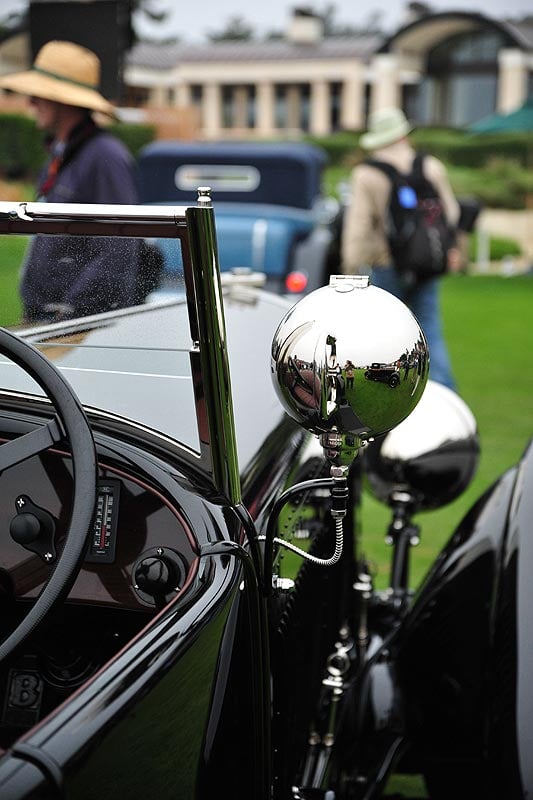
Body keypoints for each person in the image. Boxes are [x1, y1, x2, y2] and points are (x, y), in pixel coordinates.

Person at [0, 40, 140, 321]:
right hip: (53, 328)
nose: (30, 102)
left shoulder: (104, 156)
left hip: (74, 333)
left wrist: (69, 315)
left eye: (39, 94)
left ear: (63, 99)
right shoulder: (63, 153)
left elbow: (120, 250)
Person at [341, 107, 462, 391]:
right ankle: (441, 395)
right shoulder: (431, 167)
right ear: (403, 135)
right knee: (430, 330)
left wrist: (349, 268)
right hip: (426, 264)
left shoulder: (366, 174)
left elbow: (357, 228)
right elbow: (452, 214)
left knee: (384, 335)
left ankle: (386, 394)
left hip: (386, 264)